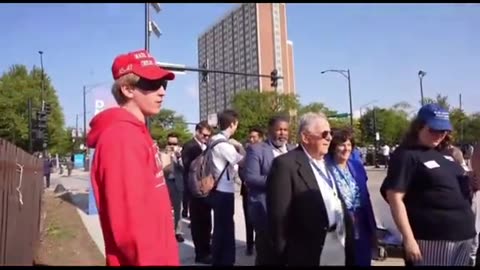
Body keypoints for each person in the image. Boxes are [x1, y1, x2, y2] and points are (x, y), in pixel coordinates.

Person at [86, 49, 179, 266]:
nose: (161, 92)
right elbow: (130, 226)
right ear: (127, 89)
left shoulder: (136, 133)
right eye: (152, 84)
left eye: (163, 84)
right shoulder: (121, 138)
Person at [380, 103, 475, 266]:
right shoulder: (406, 155)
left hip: (463, 235)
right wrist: (409, 239)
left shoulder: (445, 154)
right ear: (419, 127)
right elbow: (395, 198)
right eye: (433, 130)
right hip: (432, 237)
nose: (439, 135)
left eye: (444, 131)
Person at [266, 112, 355, 266]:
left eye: (331, 133)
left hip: (338, 245)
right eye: (325, 134)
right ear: (306, 137)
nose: (329, 138)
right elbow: (278, 220)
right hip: (308, 253)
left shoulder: (325, 163)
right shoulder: (285, 165)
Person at [244, 115, 294, 265]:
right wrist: (280, 182)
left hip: (292, 212)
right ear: (270, 130)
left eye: (285, 130)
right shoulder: (256, 150)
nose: (282, 133)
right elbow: (251, 178)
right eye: (279, 129)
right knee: (267, 256)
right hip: (266, 210)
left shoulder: (294, 150)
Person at [327, 128, 378, 266]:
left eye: (349, 145)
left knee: (362, 261)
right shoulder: (325, 167)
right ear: (333, 147)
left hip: (361, 224)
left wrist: (373, 228)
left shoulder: (356, 166)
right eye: (342, 145)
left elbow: (365, 198)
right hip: (337, 225)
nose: (346, 149)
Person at [209, 110, 244, 266]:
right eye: (236, 123)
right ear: (232, 124)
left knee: (220, 227)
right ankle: (225, 261)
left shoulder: (213, 140)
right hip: (224, 190)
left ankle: (218, 258)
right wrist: (241, 146)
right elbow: (241, 161)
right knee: (226, 228)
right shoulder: (223, 144)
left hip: (217, 188)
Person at [181, 121, 213, 264]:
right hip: (194, 191)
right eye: (204, 135)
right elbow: (189, 167)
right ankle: (201, 253)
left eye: (208, 136)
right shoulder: (190, 146)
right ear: (197, 132)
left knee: (206, 222)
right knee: (198, 224)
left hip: (204, 190)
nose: (206, 138)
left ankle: (206, 249)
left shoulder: (204, 146)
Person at [238, 127, 264, 256]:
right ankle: (249, 245)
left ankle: (260, 245)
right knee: (248, 219)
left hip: (261, 192)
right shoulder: (246, 152)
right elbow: (241, 168)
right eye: (250, 137)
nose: (251, 139)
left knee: (261, 220)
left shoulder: (266, 152)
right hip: (247, 190)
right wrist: (245, 179)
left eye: (254, 137)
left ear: (260, 138)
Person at [161, 132, 185, 243]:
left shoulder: (180, 154)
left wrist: (178, 157)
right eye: (170, 143)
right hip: (165, 183)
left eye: (174, 143)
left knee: (177, 209)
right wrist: (165, 156)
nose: (172, 145)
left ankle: (178, 232)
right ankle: (165, 231)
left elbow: (184, 168)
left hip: (177, 183)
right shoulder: (162, 153)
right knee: (164, 209)